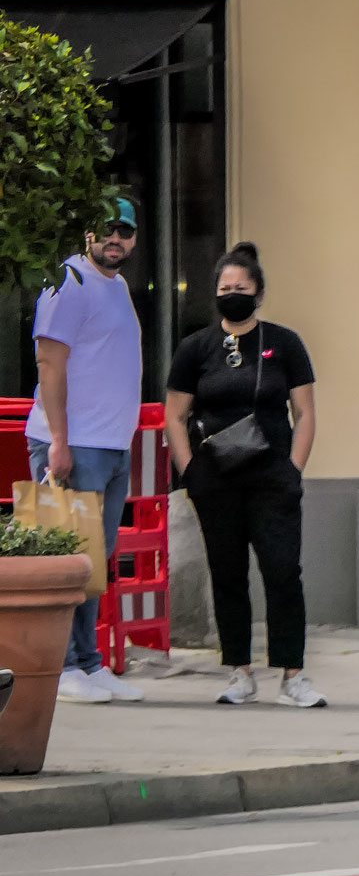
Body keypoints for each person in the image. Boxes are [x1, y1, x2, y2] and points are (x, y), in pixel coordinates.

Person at [165, 243, 325, 708]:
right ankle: (238, 671)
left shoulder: (285, 343)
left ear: (258, 293)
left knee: (282, 571)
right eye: (224, 288)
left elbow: (306, 411)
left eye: (241, 288)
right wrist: (189, 470)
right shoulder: (196, 347)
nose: (232, 294)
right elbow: (174, 414)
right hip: (215, 479)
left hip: (272, 475)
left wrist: (294, 467)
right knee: (227, 573)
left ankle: (292, 675)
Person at [27, 197, 146, 705]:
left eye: (125, 230)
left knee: (93, 561)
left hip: (111, 445)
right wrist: (57, 440)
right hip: (76, 443)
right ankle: (65, 666)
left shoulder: (115, 286)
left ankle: (90, 662)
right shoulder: (69, 280)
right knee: (71, 557)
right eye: (106, 230)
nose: (115, 238)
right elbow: (49, 363)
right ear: (88, 234)